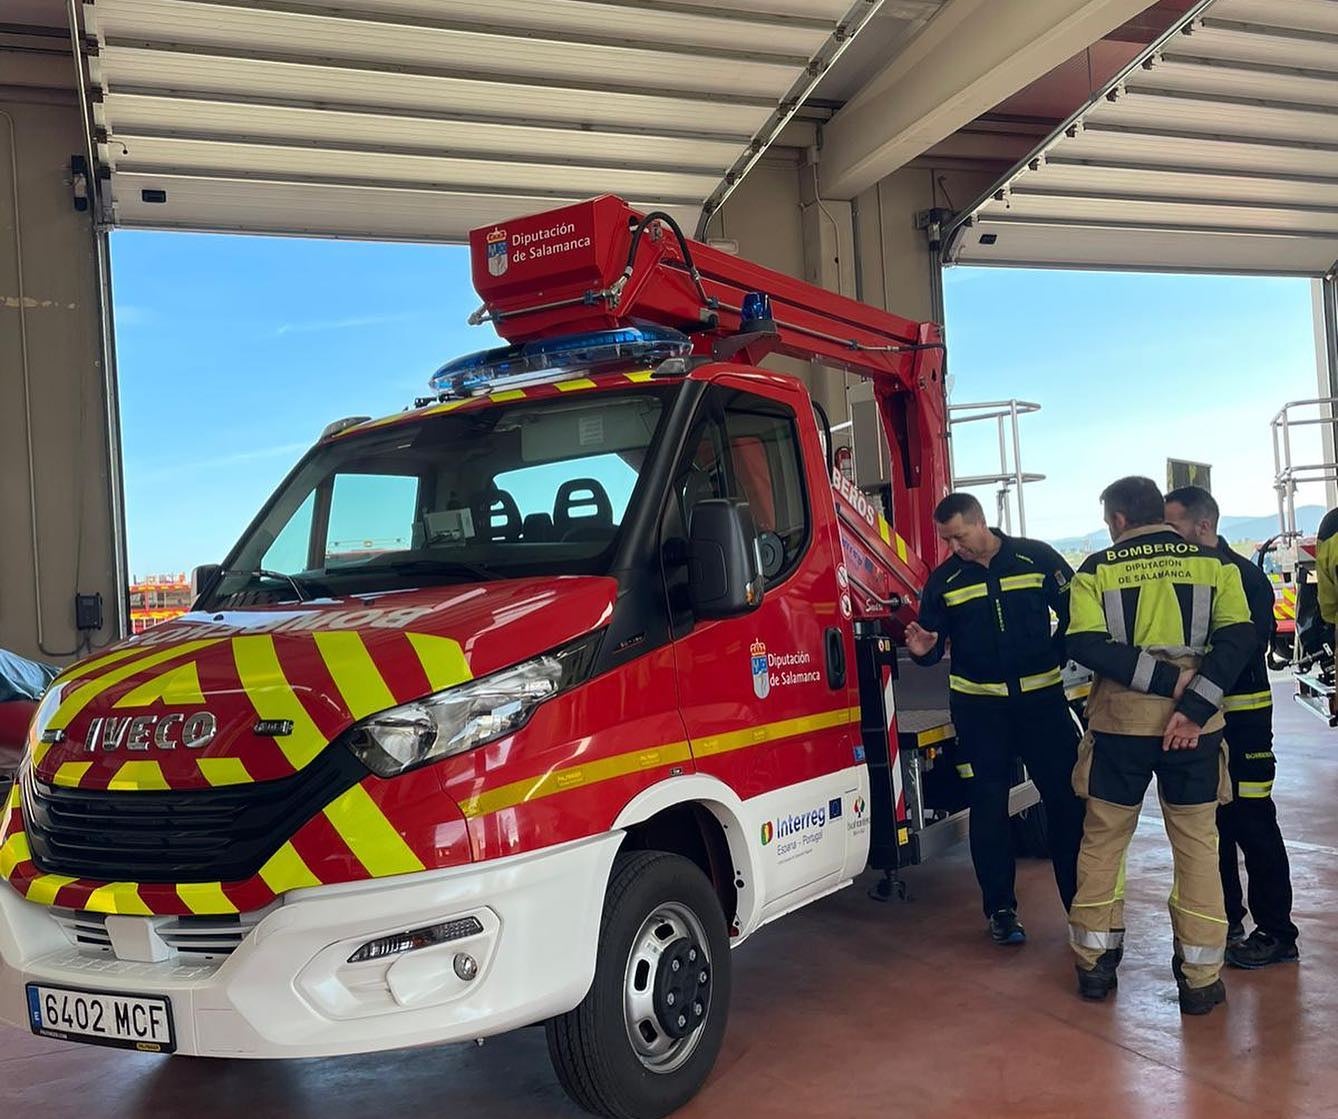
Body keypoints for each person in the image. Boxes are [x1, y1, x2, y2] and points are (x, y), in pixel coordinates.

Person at [1065, 477, 1254, 1016]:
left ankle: (1095, 968)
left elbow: (1083, 642)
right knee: (1197, 845)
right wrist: (1192, 704)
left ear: (1120, 520)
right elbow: (1239, 638)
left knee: (1103, 841)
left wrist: (1159, 681)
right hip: (1196, 729)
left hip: (1120, 725)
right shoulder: (1214, 565)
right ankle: (1200, 980)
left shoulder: (1096, 569)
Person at [905, 492, 1086, 946]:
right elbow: (930, 640)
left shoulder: (1036, 557)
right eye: (946, 540)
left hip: (1042, 704)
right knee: (989, 806)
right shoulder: (943, 580)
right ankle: (1001, 911)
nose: (954, 549)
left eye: (959, 537)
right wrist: (924, 653)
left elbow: (1077, 614)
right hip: (979, 709)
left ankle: (1083, 907)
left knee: (1065, 802)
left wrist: (1055, 654)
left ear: (981, 523)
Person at [1164, 486, 1300, 968]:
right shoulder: (1185, 576)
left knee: (1252, 820)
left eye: (1174, 526)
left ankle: (1277, 932)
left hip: (1242, 722)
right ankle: (1225, 920)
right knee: (1213, 824)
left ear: (1203, 526)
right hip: (1207, 722)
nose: (1167, 537)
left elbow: (1239, 649)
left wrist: (1195, 704)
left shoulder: (1242, 577)